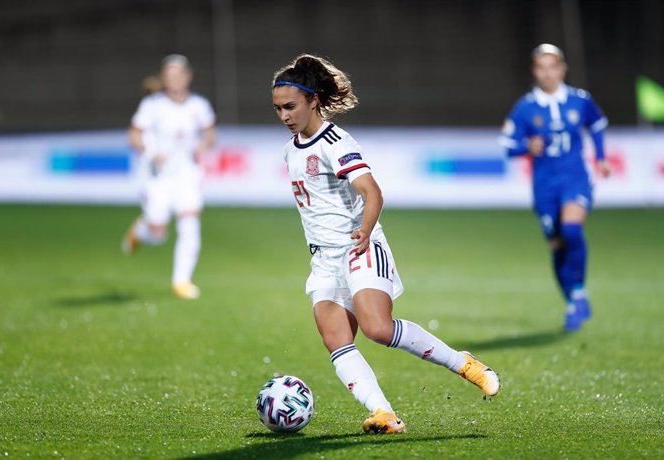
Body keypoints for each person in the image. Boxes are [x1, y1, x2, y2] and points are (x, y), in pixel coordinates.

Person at [271, 54, 500, 434]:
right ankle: (383, 413)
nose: (284, 116)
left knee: (377, 328)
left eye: (290, 106)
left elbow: (372, 192)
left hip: (359, 246)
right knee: (337, 341)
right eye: (278, 109)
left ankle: (462, 362)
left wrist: (363, 230)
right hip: (324, 260)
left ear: (313, 101)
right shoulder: (289, 149)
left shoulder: (336, 142)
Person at [499, 44, 611, 331]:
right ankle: (573, 299)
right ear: (535, 72)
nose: (548, 74)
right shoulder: (526, 107)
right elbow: (508, 145)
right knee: (557, 246)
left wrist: (600, 158)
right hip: (544, 185)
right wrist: (527, 146)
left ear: (562, 69)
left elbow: (597, 125)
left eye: (552, 67)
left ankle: (579, 293)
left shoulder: (579, 100)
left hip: (574, 177)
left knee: (572, 229)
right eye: (541, 68)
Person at [122, 54, 216, 300]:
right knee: (158, 232)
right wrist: (151, 153)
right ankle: (141, 230)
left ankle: (181, 281)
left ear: (187, 77)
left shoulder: (199, 105)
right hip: (158, 175)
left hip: (187, 173)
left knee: (189, 222)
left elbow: (210, 133)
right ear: (164, 78)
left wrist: (203, 146)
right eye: (169, 75)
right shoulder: (152, 105)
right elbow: (134, 135)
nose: (174, 79)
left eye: (178, 74)